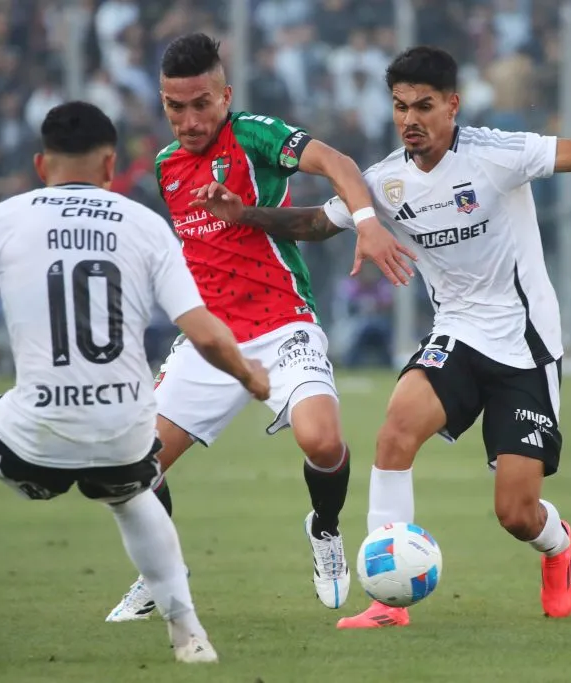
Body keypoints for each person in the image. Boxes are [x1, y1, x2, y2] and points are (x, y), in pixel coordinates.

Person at [187, 46, 571, 629]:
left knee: (515, 514)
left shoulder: (499, 154)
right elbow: (316, 224)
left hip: (526, 347)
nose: (409, 119)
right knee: (394, 434)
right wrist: (247, 216)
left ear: (452, 106)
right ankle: (388, 602)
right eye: (399, 107)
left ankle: (557, 543)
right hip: (458, 335)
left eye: (423, 106)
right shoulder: (385, 181)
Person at [0, 101, 270, 664]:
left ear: (41, 165)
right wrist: (248, 375)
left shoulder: (2, 220)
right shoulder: (145, 225)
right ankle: (190, 637)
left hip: (35, 432)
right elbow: (205, 332)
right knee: (132, 491)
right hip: (124, 432)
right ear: (110, 164)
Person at [106, 33, 416, 621]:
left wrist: (368, 223)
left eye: (202, 103)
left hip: (281, 322)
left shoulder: (253, 135)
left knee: (322, 442)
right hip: (212, 338)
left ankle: (324, 529)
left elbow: (338, 164)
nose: (190, 119)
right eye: (176, 106)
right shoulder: (167, 166)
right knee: (129, 470)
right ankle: (161, 574)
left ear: (226, 95)